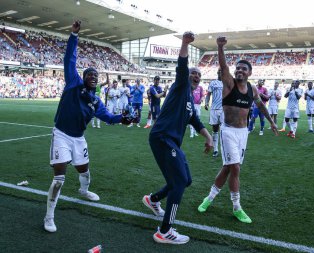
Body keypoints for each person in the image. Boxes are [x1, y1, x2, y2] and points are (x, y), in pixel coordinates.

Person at [44, 21, 135, 233]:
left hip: (78, 138)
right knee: (59, 178)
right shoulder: (73, 83)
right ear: (84, 78)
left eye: (96, 77)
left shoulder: (96, 101)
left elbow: (109, 118)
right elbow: (70, 59)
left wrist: (123, 119)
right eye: (90, 75)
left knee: (84, 170)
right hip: (61, 134)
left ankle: (84, 191)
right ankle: (49, 216)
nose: (93, 78)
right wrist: (74, 35)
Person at [142, 32, 213, 244]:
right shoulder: (180, 86)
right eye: (193, 73)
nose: (196, 76)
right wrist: (184, 44)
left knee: (186, 180)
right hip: (163, 137)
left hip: (170, 141)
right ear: (187, 76)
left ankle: (153, 199)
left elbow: (195, 121)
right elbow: (182, 66)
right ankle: (164, 231)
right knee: (179, 181)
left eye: (199, 75)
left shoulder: (190, 98)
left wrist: (208, 137)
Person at [198, 36, 278, 224]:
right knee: (235, 167)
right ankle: (237, 207)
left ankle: (208, 198)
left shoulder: (252, 89)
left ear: (250, 72)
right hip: (228, 132)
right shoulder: (229, 84)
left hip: (243, 133)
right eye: (238, 68)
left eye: (244, 68)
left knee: (228, 168)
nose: (240, 70)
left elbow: (260, 106)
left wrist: (272, 122)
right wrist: (220, 47)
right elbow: (224, 67)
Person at [205, 68, 224, 157]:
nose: (220, 73)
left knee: (224, 130)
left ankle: (224, 148)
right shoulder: (213, 83)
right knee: (215, 129)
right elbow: (208, 94)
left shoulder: (227, 83)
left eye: (222, 71)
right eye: (219, 71)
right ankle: (215, 149)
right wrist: (206, 103)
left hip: (224, 110)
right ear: (217, 73)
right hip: (214, 109)